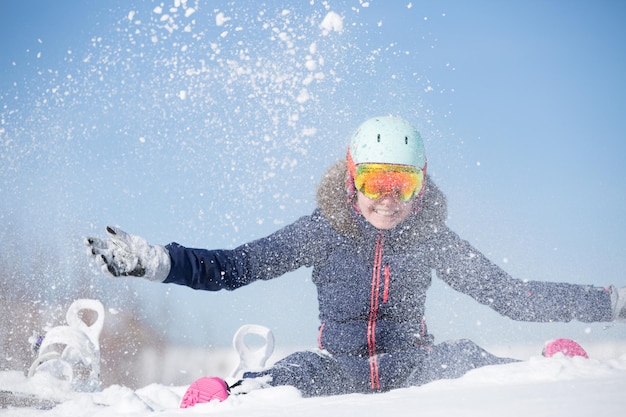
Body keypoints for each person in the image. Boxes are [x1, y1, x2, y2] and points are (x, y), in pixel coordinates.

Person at [85, 116, 626, 406]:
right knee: (290, 371)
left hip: (415, 364)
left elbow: (510, 295)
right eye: (374, 181)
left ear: (420, 184)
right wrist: (157, 262)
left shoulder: (432, 239)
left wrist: (614, 302)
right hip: (335, 368)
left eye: (403, 182)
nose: (387, 198)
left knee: (467, 353)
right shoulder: (323, 231)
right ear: (351, 178)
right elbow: (236, 266)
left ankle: (553, 366)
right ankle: (228, 397)